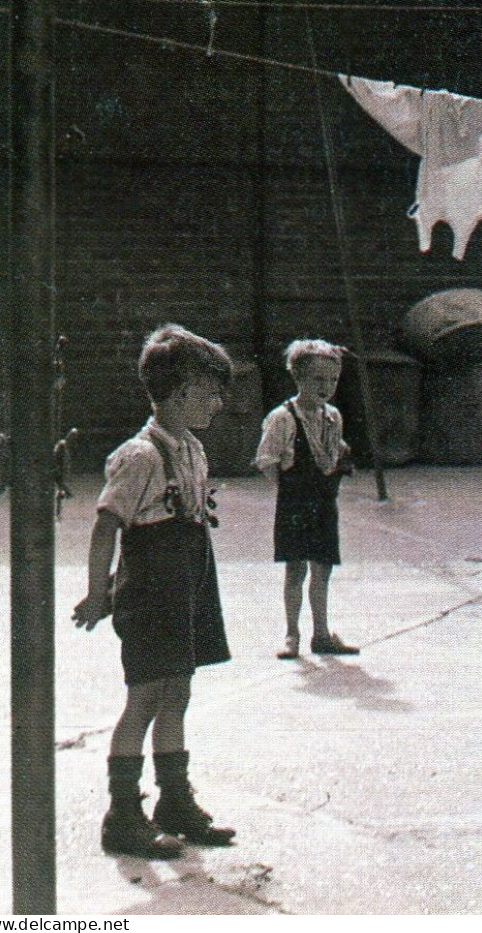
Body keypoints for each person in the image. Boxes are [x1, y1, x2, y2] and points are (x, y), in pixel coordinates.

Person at [71, 324, 237, 858]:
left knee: (178, 691)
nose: (217, 403)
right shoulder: (138, 457)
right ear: (182, 390)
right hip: (149, 592)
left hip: (186, 588)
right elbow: (106, 526)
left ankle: (174, 801)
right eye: (211, 393)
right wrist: (98, 593)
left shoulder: (192, 448)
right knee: (143, 698)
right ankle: (123, 814)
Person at [255, 339, 357, 659]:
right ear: (298, 378)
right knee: (295, 569)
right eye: (317, 380)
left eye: (332, 380)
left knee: (323, 568)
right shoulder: (283, 418)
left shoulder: (333, 417)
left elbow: (333, 452)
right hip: (295, 503)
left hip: (324, 502)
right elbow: (266, 459)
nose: (326, 387)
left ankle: (322, 633)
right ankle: (291, 634)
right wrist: (286, 490)